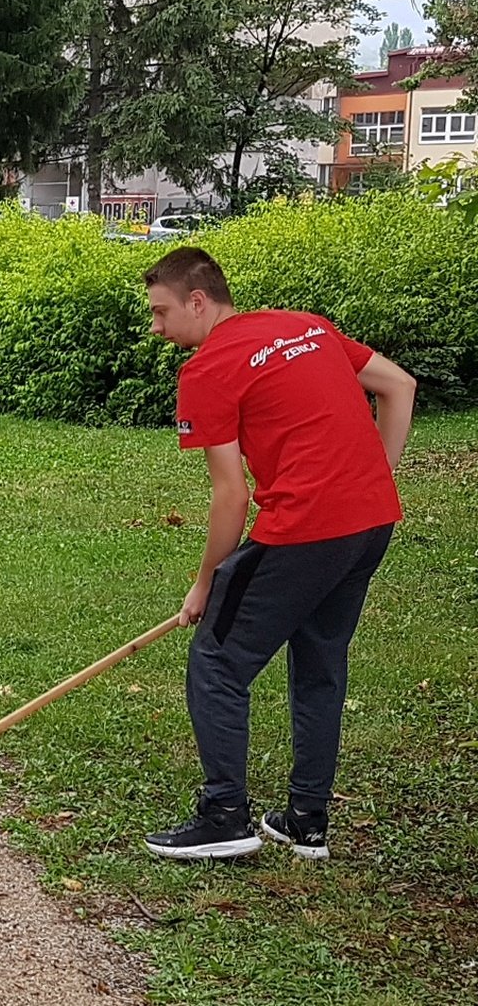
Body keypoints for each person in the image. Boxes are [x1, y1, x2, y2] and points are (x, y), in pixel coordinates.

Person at [140, 247, 414, 861]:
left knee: (216, 660)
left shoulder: (207, 370)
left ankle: (224, 817)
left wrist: (206, 583)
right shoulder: (305, 326)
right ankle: (306, 822)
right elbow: (400, 386)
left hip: (305, 529)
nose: (156, 327)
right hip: (371, 522)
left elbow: (231, 496)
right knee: (320, 663)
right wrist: (373, 481)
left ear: (197, 301)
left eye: (161, 312)